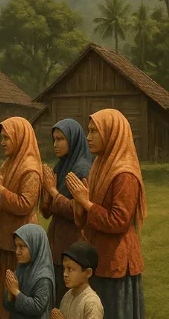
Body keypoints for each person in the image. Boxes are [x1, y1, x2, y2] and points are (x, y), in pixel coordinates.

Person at [66, 109, 147, 319]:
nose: (88, 137)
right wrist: (80, 204)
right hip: (99, 256)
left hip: (116, 263)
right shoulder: (100, 165)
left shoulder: (125, 173)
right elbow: (89, 214)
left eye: (94, 131)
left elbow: (118, 221)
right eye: (88, 130)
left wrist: (85, 202)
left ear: (112, 133)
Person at [0, 117, 42, 319]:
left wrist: (0, 188)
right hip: (2, 239)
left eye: (6, 138)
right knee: (1, 292)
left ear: (19, 138)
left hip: (21, 242)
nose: (2, 143)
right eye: (2, 138)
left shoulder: (30, 168)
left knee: (17, 291)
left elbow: (25, 204)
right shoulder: (8, 164)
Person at [40, 119, 92, 307]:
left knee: (68, 300)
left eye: (60, 139)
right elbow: (46, 212)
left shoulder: (83, 169)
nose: (56, 145)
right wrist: (46, 196)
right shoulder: (60, 167)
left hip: (72, 243)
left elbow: (76, 211)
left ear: (73, 139)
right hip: (55, 242)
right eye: (54, 139)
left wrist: (53, 192)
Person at [3, 224, 54, 319]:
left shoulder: (43, 278)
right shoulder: (20, 269)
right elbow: (7, 306)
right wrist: (10, 293)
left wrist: (15, 292)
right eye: (16, 246)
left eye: (22, 246)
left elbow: (37, 307)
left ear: (35, 246)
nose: (17, 251)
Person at [50, 241, 103, 319]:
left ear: (88, 273)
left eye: (70, 269)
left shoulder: (92, 303)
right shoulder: (68, 295)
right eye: (64, 269)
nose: (65, 274)